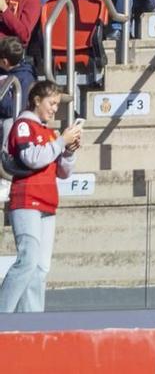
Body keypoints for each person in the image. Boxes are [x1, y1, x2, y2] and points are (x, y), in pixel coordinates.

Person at [0, 79, 79, 314]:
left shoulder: (49, 132)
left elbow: (63, 172)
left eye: (57, 104)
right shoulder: (24, 125)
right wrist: (60, 142)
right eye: (51, 103)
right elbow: (32, 158)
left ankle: (31, 321)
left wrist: (68, 150)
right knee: (28, 261)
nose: (55, 108)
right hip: (26, 200)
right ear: (36, 100)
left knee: (40, 268)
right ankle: (3, 314)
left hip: (47, 202)